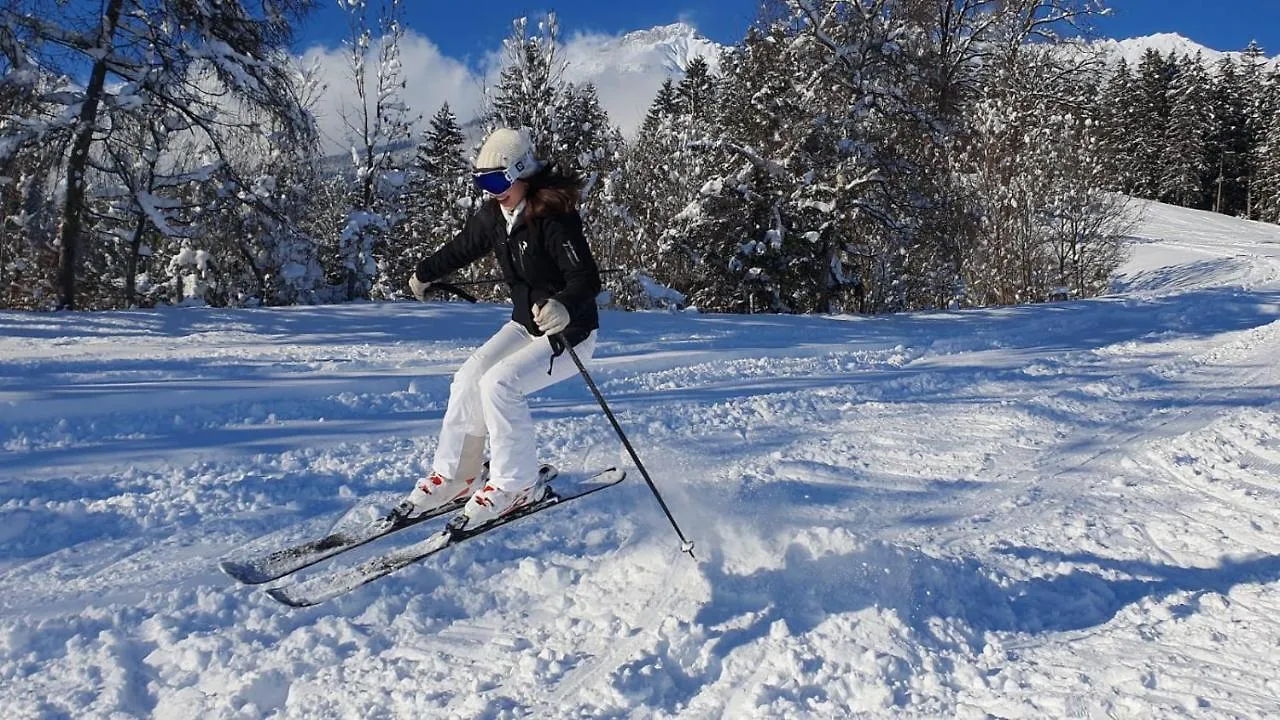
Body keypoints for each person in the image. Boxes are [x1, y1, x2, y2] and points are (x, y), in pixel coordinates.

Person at [397, 127, 602, 529]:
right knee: (470, 378)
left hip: (569, 333)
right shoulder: (496, 215)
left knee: (500, 385)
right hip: (526, 325)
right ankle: (458, 477)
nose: (491, 192)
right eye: (482, 183)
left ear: (522, 173)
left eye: (497, 181)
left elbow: (587, 278)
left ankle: (516, 485)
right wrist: (424, 273)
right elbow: (463, 246)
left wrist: (563, 304)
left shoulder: (554, 218)